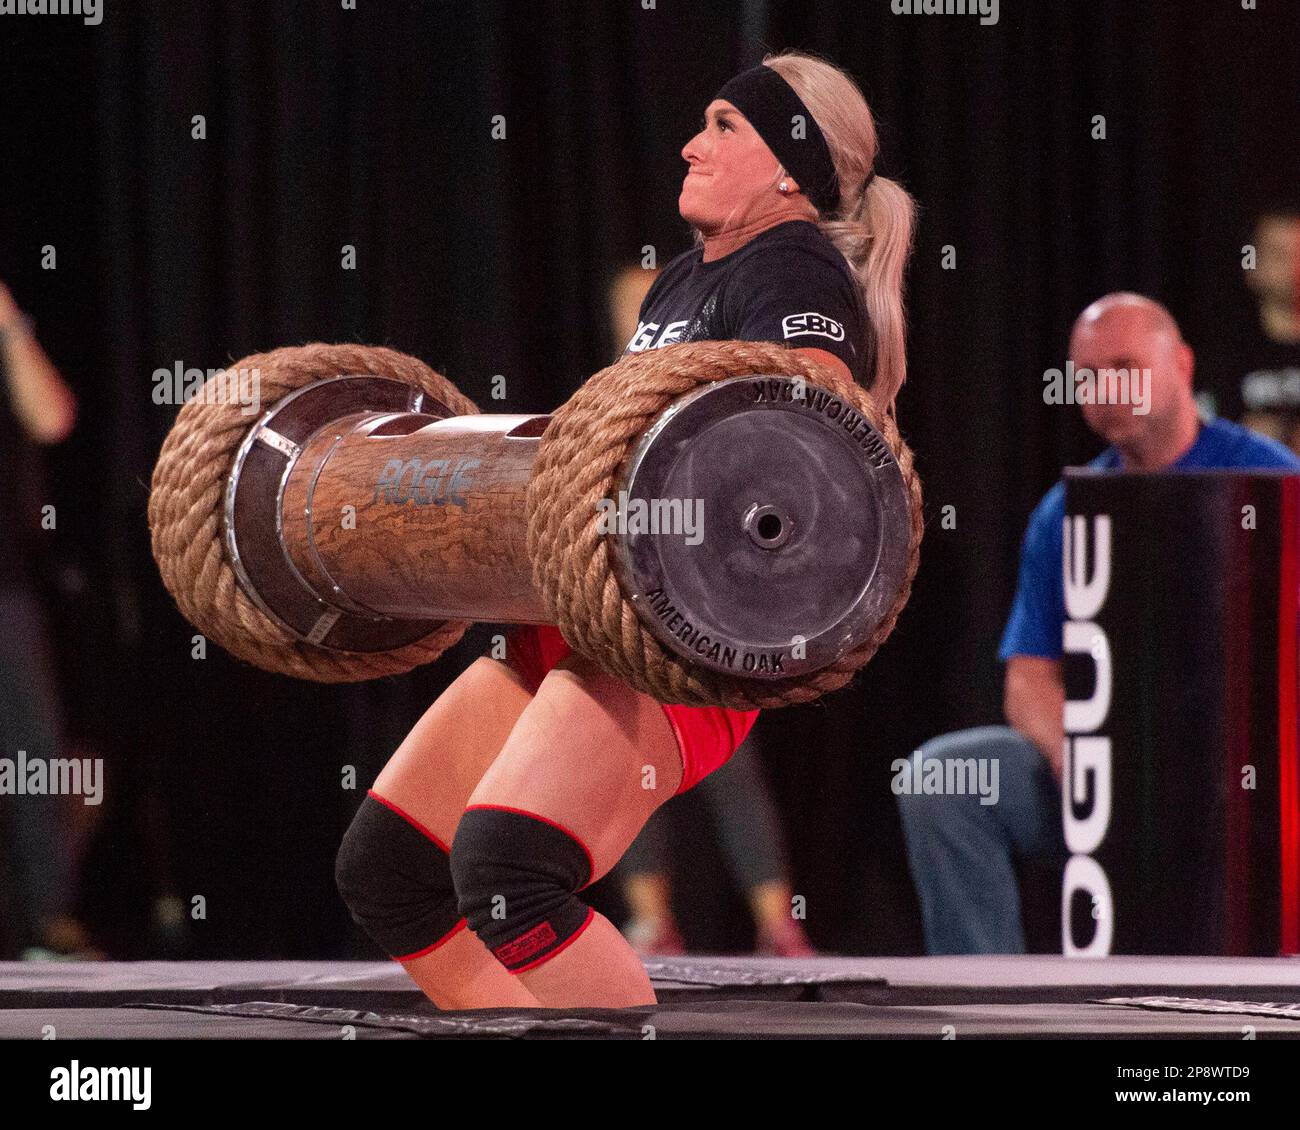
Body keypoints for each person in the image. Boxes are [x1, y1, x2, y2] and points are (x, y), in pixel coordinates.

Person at [335, 49, 916, 1008]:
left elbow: (809, 425)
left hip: (679, 641)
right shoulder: (685, 281)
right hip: (583, 617)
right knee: (394, 870)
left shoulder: (793, 265)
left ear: (789, 167)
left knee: (509, 872)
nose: (692, 143)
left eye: (725, 126)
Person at [897, 292, 1300, 955]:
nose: (1105, 390)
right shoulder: (1064, 513)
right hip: (1109, 778)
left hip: (1247, 780)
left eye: (1124, 366)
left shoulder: (1269, 481)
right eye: (1087, 375)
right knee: (939, 780)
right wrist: (1071, 753)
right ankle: (984, 1006)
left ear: (1182, 364)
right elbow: (1028, 681)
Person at [604, 260, 815, 958]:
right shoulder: (605, 418)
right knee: (628, 764)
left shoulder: (717, 406)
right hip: (632, 615)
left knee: (731, 765)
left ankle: (777, 923)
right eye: (632, 322)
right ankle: (651, 922)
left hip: (711, 616)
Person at [0, 279, 96, 960]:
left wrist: (7, 323)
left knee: (34, 748)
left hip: (4, 580)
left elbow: (52, 418)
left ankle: (49, 920)